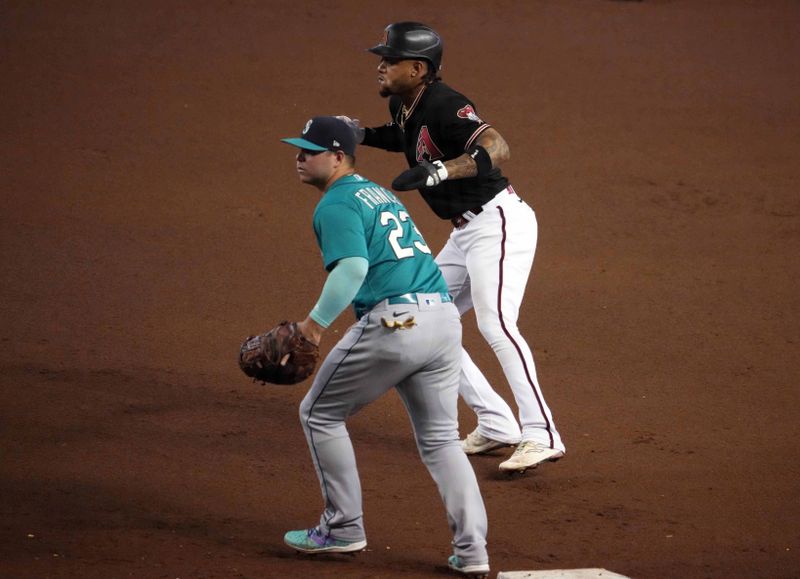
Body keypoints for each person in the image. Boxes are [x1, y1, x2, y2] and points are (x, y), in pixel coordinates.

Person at [348, 21, 565, 472]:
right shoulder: (403, 104)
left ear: (418, 67)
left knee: (496, 324)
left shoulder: (448, 103)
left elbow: (496, 146)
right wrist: (363, 134)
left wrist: (441, 172)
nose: (381, 66)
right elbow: (404, 137)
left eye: (390, 60)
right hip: (464, 232)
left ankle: (542, 432)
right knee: (426, 319)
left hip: (499, 222)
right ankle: (496, 421)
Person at [279, 116, 490, 578]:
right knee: (441, 440)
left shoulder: (335, 203)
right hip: (442, 319)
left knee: (319, 414)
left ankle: (342, 528)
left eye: (308, 151)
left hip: (397, 322)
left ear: (337, 157)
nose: (298, 158)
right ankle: (473, 553)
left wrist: (312, 328)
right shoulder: (377, 192)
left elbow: (352, 269)